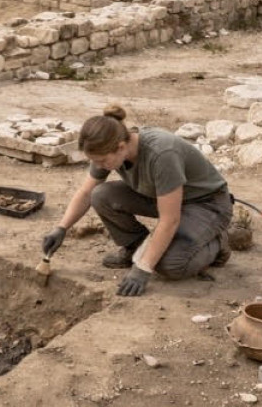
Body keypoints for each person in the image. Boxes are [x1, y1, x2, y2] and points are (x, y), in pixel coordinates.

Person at [41, 105, 232, 298]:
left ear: (121, 147)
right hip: (164, 197)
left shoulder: (162, 154)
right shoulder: (109, 148)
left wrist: (144, 268)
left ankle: (218, 242)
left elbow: (170, 220)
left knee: (170, 265)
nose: (99, 166)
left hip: (207, 204)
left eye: (102, 161)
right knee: (101, 195)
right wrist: (62, 228)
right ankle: (136, 247)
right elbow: (86, 192)